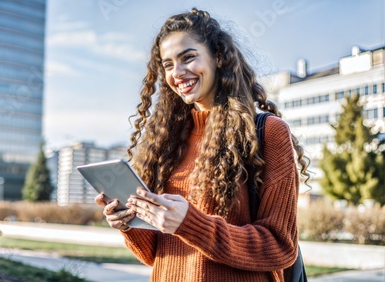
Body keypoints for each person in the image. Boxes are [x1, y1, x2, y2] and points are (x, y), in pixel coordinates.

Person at [95, 8, 310, 282]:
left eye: (188, 58)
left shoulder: (267, 132)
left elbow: (280, 247)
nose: (178, 73)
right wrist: (130, 224)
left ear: (218, 57)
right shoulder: (165, 141)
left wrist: (191, 224)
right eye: (168, 64)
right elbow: (157, 254)